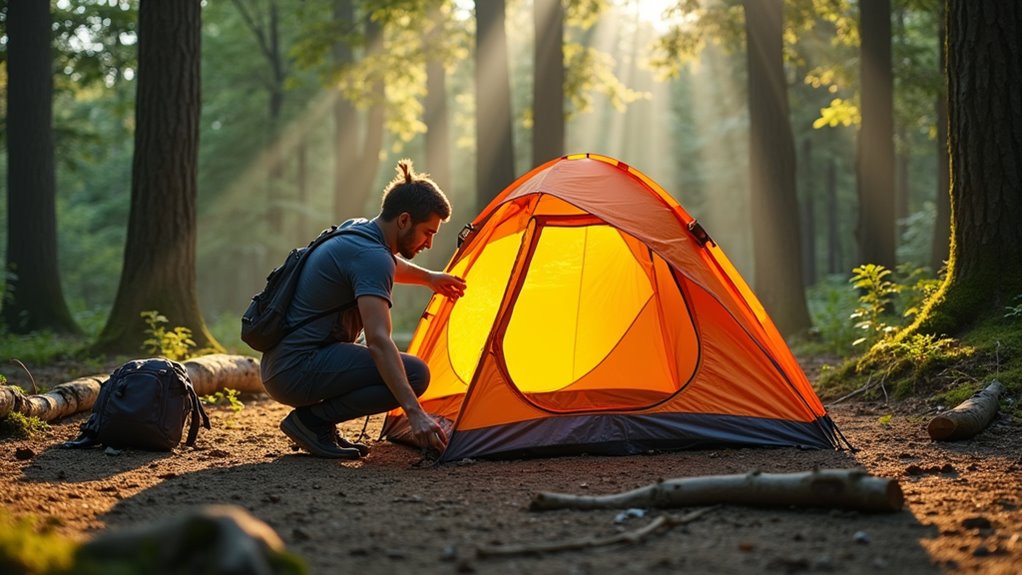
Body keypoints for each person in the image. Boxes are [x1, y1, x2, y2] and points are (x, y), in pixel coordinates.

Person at [260, 159, 466, 459]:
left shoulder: (358, 230)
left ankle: (317, 422)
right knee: (416, 374)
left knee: (403, 370)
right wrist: (415, 413)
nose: (429, 243)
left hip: (282, 363)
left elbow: (386, 262)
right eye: (428, 232)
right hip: (296, 369)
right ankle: (312, 422)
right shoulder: (372, 256)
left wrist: (429, 278)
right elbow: (379, 341)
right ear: (404, 220)